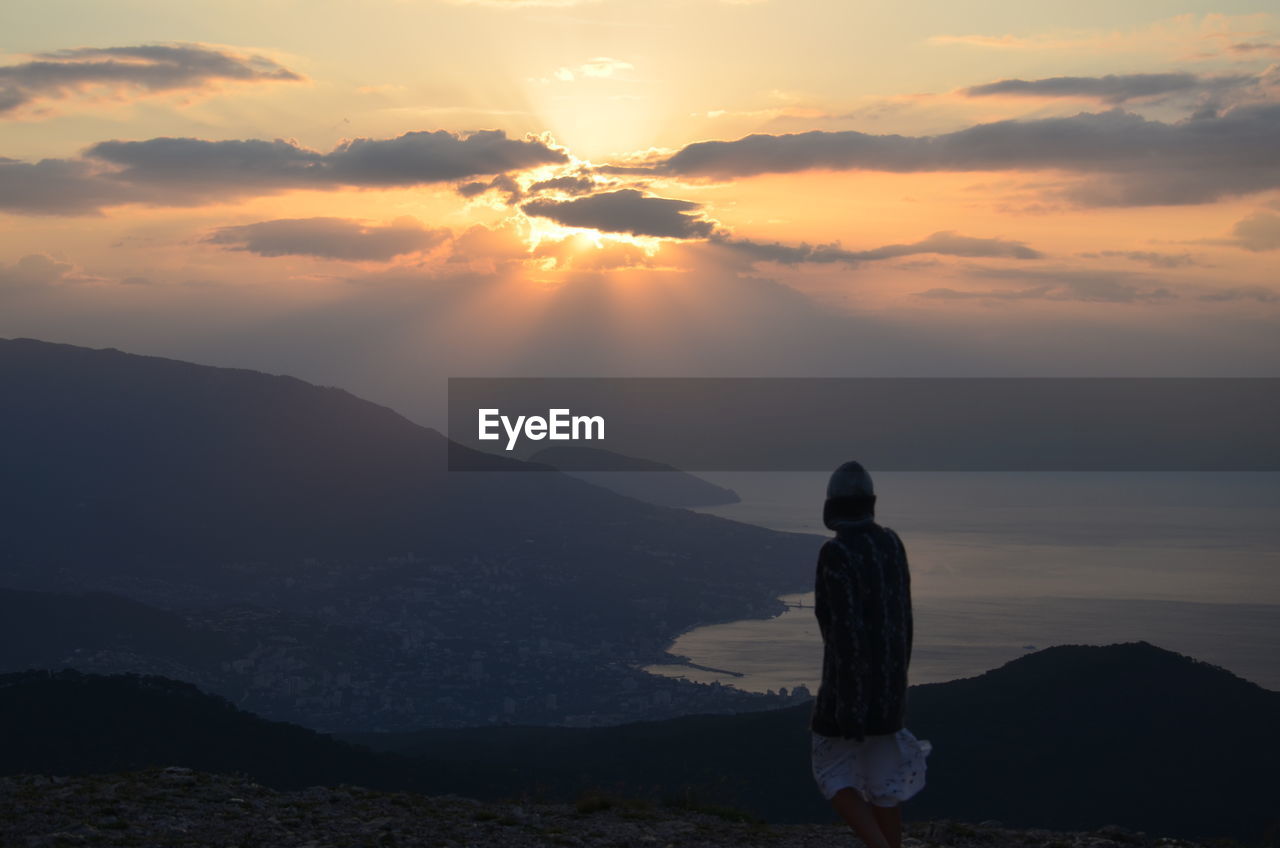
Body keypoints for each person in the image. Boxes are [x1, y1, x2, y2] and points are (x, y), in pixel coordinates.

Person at [810, 461, 930, 848]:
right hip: (891, 687)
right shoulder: (891, 543)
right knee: (883, 785)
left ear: (832, 506)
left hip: (849, 691)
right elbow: (903, 616)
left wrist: (849, 707)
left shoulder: (837, 552)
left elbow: (844, 633)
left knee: (829, 770)